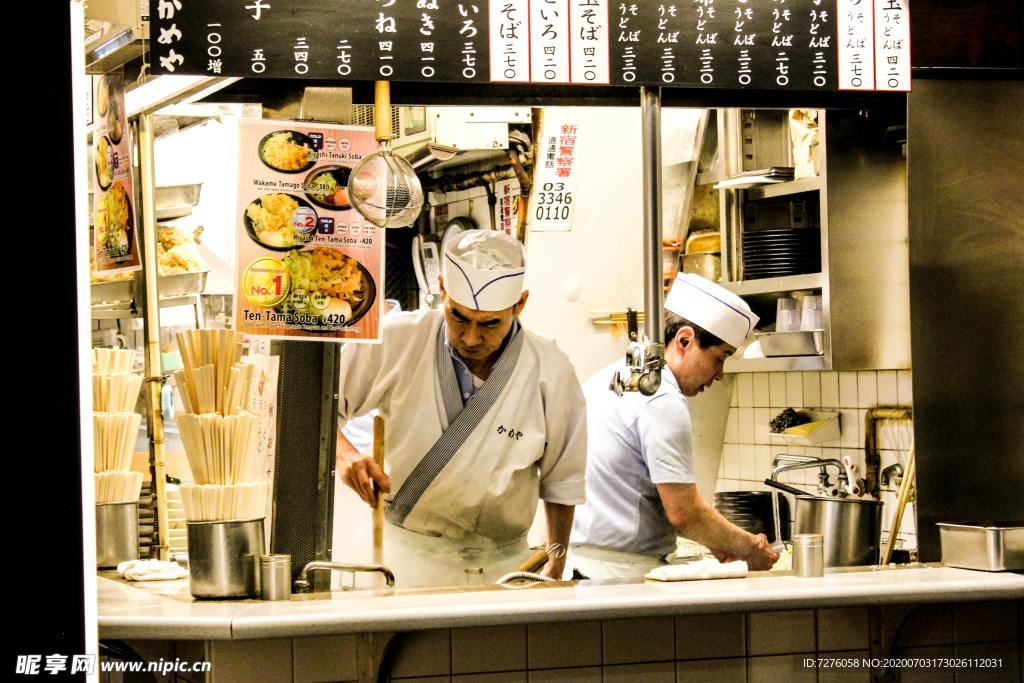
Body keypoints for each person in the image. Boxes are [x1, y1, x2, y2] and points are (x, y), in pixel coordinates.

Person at [336, 229, 586, 587]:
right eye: (458, 317)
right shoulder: (397, 340)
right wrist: (345, 456)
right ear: (442, 288)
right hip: (408, 561)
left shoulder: (551, 368)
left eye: (489, 324)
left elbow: (562, 479)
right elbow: (320, 407)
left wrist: (556, 564)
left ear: (520, 304)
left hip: (508, 565)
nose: (471, 338)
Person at [570, 273, 779, 579]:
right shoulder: (662, 397)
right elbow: (685, 512)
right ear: (684, 341)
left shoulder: (611, 377)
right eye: (720, 358)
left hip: (582, 566)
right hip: (624, 575)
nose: (720, 375)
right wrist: (749, 548)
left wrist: (719, 541)